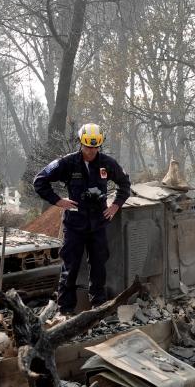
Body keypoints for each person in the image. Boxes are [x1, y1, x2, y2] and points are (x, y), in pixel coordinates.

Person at [33, 123, 131, 314]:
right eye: (87, 146)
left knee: (99, 267)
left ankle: (98, 308)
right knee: (70, 268)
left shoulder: (107, 163)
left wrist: (115, 205)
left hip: (98, 223)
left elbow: (125, 184)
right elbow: (40, 181)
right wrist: (58, 201)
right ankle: (66, 310)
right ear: (80, 143)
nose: (91, 151)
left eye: (95, 147)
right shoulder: (67, 163)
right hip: (74, 224)